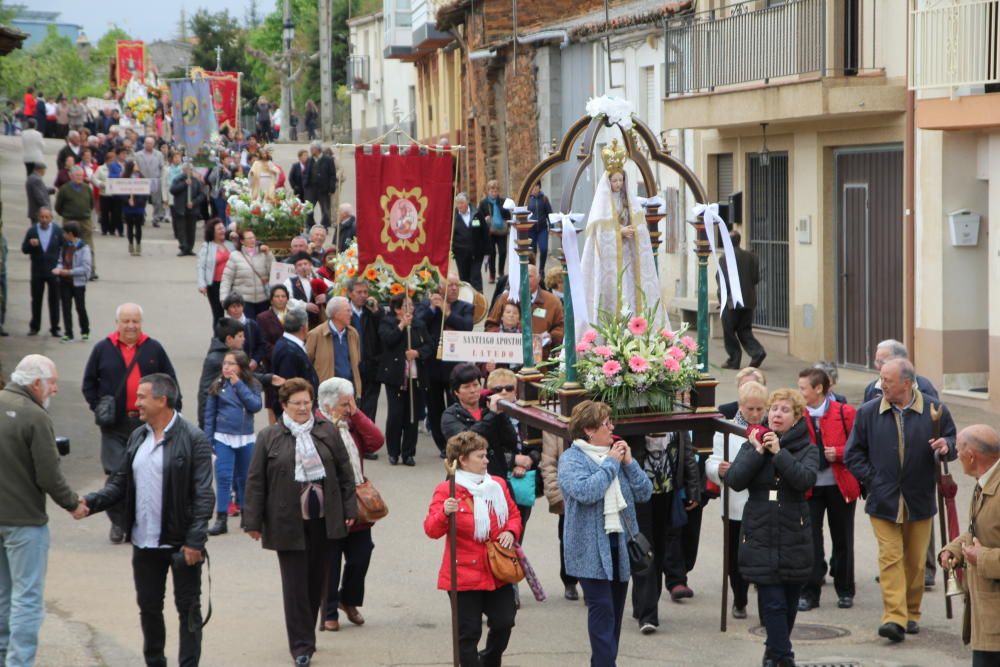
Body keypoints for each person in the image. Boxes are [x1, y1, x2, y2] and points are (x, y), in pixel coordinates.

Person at [79, 373, 213, 667]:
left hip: (181, 545)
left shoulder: (194, 439)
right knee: (149, 609)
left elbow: (204, 495)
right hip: (144, 543)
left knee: (188, 609)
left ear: (161, 400)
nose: (136, 402)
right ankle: (155, 662)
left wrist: (194, 542)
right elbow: (120, 483)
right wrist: (89, 503)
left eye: (142, 397)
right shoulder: (139, 435)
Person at [243, 378, 358, 667]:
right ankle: (301, 646)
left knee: (316, 581)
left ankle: (306, 632)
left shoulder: (326, 431)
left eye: (308, 402)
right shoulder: (269, 436)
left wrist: (349, 508)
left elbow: (345, 473)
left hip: (322, 518)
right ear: (284, 406)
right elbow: (256, 481)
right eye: (297, 403)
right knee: (294, 585)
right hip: (287, 521)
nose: (304, 408)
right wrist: (252, 521)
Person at [844, 357, 957, 642]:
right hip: (883, 500)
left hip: (919, 497)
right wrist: (873, 479)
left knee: (916, 562)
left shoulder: (935, 409)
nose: (881, 385)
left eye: (887, 381)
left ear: (906, 383)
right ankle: (894, 617)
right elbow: (853, 453)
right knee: (890, 558)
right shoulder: (869, 411)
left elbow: (953, 442)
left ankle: (911, 613)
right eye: (881, 379)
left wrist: (947, 446)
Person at [0, 355, 85, 667]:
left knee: (3, 595)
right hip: (24, 521)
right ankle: (19, 662)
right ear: (36, 384)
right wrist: (73, 503)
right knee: (27, 598)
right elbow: (48, 474)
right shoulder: (34, 416)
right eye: (52, 383)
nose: (55, 390)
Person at [726, 388, 818, 667]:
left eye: (785, 410)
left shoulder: (807, 448)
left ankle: (773, 651)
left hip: (794, 528)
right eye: (774, 409)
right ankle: (783, 657)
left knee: (789, 604)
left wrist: (779, 453)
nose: (777, 414)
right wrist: (756, 452)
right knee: (773, 602)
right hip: (760, 529)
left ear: (797, 416)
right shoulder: (752, 442)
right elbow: (735, 479)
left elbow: (805, 480)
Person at [559, 400, 653, 666]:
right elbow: (587, 492)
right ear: (589, 429)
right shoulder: (571, 459)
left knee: (614, 615)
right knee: (602, 611)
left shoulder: (616, 455)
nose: (612, 427)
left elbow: (645, 492)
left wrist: (630, 462)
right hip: (589, 551)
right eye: (606, 423)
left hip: (620, 546)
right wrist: (612, 464)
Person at [82, 303, 182, 544]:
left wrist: (173, 411)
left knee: (145, 472)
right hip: (114, 425)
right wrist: (99, 407)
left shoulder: (153, 348)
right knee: (116, 474)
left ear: (141, 323)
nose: (130, 326)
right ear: (117, 323)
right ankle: (118, 522)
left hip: (147, 424)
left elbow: (171, 382)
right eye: (126, 321)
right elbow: (88, 383)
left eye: (135, 321)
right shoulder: (103, 348)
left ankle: (140, 521)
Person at [423, 431, 522, 667]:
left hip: (497, 569)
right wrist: (444, 513)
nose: (487, 460)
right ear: (463, 460)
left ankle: (488, 659)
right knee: (468, 633)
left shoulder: (496, 485)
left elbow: (514, 515)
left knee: (504, 621)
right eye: (480, 456)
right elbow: (431, 529)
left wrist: (510, 531)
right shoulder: (447, 490)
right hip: (464, 574)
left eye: (486, 455)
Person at [316, 378, 384, 632]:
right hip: (330, 504)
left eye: (350, 403)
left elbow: (376, 441)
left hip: (357, 500)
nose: (349, 408)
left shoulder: (351, 422)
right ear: (328, 404)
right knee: (330, 560)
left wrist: (356, 413)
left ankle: (349, 599)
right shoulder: (317, 425)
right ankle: (329, 612)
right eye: (345, 404)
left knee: (361, 555)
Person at [797, 367, 860, 612]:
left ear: (818, 389)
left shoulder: (845, 412)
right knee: (810, 540)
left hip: (839, 485)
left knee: (843, 538)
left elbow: (858, 446)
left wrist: (840, 453)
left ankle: (845, 590)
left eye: (803, 388)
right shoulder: (797, 414)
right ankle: (809, 593)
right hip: (809, 487)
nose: (799, 392)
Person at [580, 139, 662, 328]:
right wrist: (619, 232)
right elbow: (599, 235)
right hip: (609, 260)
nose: (618, 184)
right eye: (614, 180)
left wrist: (635, 231)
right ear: (608, 181)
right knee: (614, 292)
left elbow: (639, 225)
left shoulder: (629, 201)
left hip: (627, 254)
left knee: (629, 290)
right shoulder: (601, 204)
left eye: (621, 180)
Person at [706, 380, 768, 620]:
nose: (754, 414)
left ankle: (765, 605)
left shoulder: (771, 431)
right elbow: (712, 461)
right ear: (740, 406)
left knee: (762, 555)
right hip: (734, 504)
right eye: (750, 409)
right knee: (735, 556)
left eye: (759, 409)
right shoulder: (726, 430)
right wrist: (718, 469)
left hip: (763, 504)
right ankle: (739, 598)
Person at [940, 424, 1000, 666]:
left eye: (958, 449)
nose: (956, 454)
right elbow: (980, 531)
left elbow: (982, 546)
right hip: (987, 618)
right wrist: (955, 549)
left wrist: (980, 557)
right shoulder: (985, 481)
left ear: (971, 455)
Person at [630, 430, 701, 634]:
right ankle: (648, 614)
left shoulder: (675, 424)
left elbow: (687, 454)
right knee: (644, 550)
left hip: (667, 493)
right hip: (640, 495)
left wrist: (693, 488)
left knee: (660, 550)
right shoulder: (637, 419)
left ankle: (643, 602)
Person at [204, 350, 262, 536]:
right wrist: (208, 439)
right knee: (223, 477)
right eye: (225, 364)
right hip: (223, 436)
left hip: (245, 437)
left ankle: (247, 515)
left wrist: (238, 385)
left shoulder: (252, 384)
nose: (226, 367)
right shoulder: (217, 386)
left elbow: (255, 405)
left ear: (241, 367)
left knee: (245, 478)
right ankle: (221, 518)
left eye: (231, 364)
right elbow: (209, 415)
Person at [417, 273, 474, 456]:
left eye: (457, 285)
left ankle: (456, 443)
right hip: (432, 365)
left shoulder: (465, 307)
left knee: (455, 406)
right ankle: (442, 445)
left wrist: (447, 313)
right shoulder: (428, 305)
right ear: (440, 288)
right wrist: (433, 310)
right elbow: (418, 323)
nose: (454, 288)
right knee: (434, 408)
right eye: (450, 285)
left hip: (454, 368)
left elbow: (466, 326)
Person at [377, 294, 433, 466]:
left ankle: (408, 452)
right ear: (397, 309)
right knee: (395, 415)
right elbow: (388, 340)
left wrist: (417, 353)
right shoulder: (388, 322)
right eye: (406, 305)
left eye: (411, 305)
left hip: (415, 376)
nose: (411, 309)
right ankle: (393, 451)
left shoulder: (419, 324)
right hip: (396, 376)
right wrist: (402, 325)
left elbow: (429, 345)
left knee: (412, 416)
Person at [441, 363, 518, 476]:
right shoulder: (450, 415)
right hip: (465, 475)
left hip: (496, 474)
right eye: (466, 387)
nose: (472, 390)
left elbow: (511, 442)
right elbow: (466, 442)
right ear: (456, 392)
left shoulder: (490, 407)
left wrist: (500, 414)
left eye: (475, 385)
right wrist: (492, 415)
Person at [484, 264, 564, 360]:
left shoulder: (552, 301)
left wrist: (550, 337)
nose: (525, 279)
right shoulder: (506, 298)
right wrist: (504, 336)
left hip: (541, 362)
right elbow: (490, 325)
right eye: (521, 275)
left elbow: (560, 326)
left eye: (529, 276)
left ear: (538, 279)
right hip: (508, 360)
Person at [539, 430, 580, 601]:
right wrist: (556, 495)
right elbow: (548, 463)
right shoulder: (554, 424)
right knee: (567, 537)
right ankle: (569, 580)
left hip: (592, 487)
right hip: (567, 493)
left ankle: (590, 581)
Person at [719, 230, 765, 369]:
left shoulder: (724, 257)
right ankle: (757, 352)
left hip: (732, 302)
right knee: (744, 329)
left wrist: (722, 300)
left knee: (729, 330)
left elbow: (723, 281)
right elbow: (756, 279)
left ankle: (734, 359)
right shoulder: (752, 257)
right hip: (749, 300)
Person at [196, 317, 247, 430]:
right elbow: (205, 392)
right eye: (240, 336)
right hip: (218, 419)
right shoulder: (218, 359)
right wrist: (204, 423)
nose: (244, 339)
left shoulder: (231, 354)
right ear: (229, 339)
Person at [270, 309, 320, 417]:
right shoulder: (289, 351)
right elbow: (289, 385)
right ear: (304, 327)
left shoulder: (289, 345)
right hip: (294, 413)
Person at [21, 207, 63, 337]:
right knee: (36, 299)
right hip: (37, 271)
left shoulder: (57, 231)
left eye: (47, 217)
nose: (44, 220)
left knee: (54, 300)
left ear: (51, 218)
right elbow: (24, 249)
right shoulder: (33, 231)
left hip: (53, 270)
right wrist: (30, 244)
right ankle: (34, 326)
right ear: (38, 217)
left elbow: (63, 248)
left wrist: (60, 266)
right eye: (42, 217)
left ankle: (55, 327)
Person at [346, 279, 382, 425]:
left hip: (371, 365)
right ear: (350, 294)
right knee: (351, 404)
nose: (363, 296)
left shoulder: (371, 312)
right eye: (358, 292)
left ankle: (367, 441)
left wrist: (376, 313)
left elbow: (383, 333)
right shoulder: (344, 312)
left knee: (370, 406)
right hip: (351, 366)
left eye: (365, 292)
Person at [306, 295, 361, 390]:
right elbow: (306, 364)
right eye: (348, 311)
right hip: (326, 391)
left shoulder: (353, 333)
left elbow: (357, 361)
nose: (351, 314)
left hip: (349, 389)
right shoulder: (316, 334)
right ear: (336, 314)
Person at [862, 339, 939, 403]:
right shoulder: (872, 389)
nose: (877, 367)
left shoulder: (923, 387)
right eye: (876, 361)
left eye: (882, 363)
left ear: (902, 362)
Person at [220, 229, 273, 319]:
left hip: (263, 299)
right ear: (242, 241)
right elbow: (226, 279)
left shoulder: (263, 253)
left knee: (262, 329)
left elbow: (273, 272)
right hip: (244, 301)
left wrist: (268, 254)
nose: (252, 240)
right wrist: (224, 299)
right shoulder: (235, 256)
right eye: (249, 238)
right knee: (247, 328)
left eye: (253, 238)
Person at [53, 221, 92, 343]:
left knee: (80, 307)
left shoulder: (84, 248)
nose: (64, 235)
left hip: (78, 283)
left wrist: (69, 272)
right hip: (65, 282)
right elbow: (60, 260)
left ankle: (85, 331)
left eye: (65, 233)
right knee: (65, 307)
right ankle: (68, 333)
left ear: (71, 234)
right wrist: (59, 268)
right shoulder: (65, 246)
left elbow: (85, 268)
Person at [54, 166, 96, 278]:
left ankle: (91, 270)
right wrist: (67, 215)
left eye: (81, 176)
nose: (79, 178)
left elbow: (92, 204)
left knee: (88, 245)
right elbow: (58, 207)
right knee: (68, 245)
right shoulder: (64, 189)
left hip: (85, 220)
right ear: (71, 176)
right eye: (77, 175)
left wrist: (85, 213)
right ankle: (67, 268)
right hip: (69, 220)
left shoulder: (87, 188)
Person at [197, 219, 235, 324]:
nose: (222, 230)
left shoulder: (231, 244)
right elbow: (201, 267)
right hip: (215, 285)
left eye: (223, 228)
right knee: (218, 315)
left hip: (231, 283)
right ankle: (218, 338)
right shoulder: (207, 247)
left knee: (235, 313)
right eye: (219, 229)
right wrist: (202, 284)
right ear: (212, 232)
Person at [476, 180, 511, 284]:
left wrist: (506, 223)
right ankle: (492, 274)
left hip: (501, 231)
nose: (494, 193)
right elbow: (478, 217)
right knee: (492, 253)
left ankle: (500, 272)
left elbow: (508, 215)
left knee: (503, 251)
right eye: (492, 191)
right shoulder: (483, 203)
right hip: (489, 232)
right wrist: (484, 219)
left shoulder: (503, 202)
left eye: (495, 191)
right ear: (488, 191)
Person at [452, 192, 488, 291]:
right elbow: (450, 235)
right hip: (461, 254)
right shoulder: (453, 216)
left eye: (461, 203)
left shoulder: (476, 213)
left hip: (476, 253)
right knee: (464, 279)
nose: (459, 206)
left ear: (467, 202)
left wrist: (487, 253)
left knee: (475, 277)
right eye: (458, 203)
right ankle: (466, 301)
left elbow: (485, 232)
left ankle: (479, 301)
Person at [170, 163, 207, 257]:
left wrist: (194, 202)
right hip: (180, 208)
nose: (188, 171)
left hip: (192, 209)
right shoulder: (178, 179)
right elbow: (173, 190)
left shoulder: (196, 181)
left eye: (190, 169)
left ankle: (190, 248)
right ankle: (183, 247)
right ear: (183, 170)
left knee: (191, 230)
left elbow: (201, 195)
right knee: (181, 230)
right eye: (186, 169)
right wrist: (184, 184)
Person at [223, 293, 266, 371]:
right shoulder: (223, 326)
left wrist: (255, 360)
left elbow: (261, 345)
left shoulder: (252, 324)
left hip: (250, 368)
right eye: (233, 307)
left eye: (239, 306)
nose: (236, 309)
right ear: (227, 310)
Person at [284, 251, 326, 330]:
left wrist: (326, 297)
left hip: (319, 322)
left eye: (305, 264)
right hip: (299, 324)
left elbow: (333, 292)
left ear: (310, 265)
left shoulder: (320, 279)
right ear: (295, 268)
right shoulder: (289, 281)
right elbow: (287, 300)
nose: (303, 267)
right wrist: (305, 306)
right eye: (299, 265)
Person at [134, 136, 167, 227]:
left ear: (153, 144)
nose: (148, 145)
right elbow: (135, 167)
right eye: (147, 143)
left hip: (155, 180)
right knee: (141, 201)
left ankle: (155, 218)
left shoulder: (159, 154)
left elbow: (162, 167)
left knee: (156, 201)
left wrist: (161, 178)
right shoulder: (137, 154)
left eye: (150, 143)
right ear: (144, 143)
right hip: (142, 180)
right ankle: (141, 217)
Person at [257, 285, 292, 369]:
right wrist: (281, 355)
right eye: (277, 296)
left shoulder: (294, 315)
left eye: (283, 296)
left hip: (293, 360)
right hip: (273, 362)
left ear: (287, 299)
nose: (280, 299)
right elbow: (264, 342)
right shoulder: (263, 318)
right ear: (271, 300)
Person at [305, 141, 337, 229]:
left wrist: (331, 188)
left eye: (313, 148)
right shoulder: (310, 160)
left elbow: (332, 175)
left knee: (325, 209)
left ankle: (325, 225)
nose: (311, 150)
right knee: (308, 208)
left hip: (323, 189)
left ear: (318, 149)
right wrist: (305, 185)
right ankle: (310, 225)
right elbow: (306, 173)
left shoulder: (328, 160)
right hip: (311, 188)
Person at [120, 161, 148, 256]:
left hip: (139, 206)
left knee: (138, 226)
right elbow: (121, 191)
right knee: (130, 226)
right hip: (128, 206)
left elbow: (145, 192)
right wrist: (128, 200)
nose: (137, 166)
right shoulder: (124, 178)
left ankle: (138, 244)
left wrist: (141, 202)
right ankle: (131, 243)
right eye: (135, 165)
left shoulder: (141, 177)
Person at [527, 181, 553, 271]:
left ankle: (541, 269)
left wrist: (552, 226)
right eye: (533, 186)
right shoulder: (528, 199)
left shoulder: (544, 199)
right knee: (532, 252)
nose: (534, 188)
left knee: (544, 249)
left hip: (542, 229)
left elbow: (549, 214)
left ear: (539, 187)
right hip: (530, 230)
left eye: (536, 186)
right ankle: (533, 269)